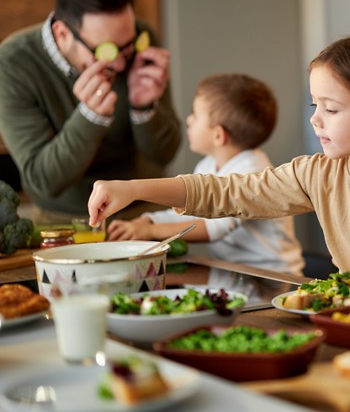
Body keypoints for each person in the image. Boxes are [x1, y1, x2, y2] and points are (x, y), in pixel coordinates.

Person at [88, 31, 350, 309]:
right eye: (316, 105)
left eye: (331, 108)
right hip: (348, 325)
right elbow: (225, 194)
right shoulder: (318, 175)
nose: (315, 119)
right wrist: (132, 188)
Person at [0, 0, 181, 223]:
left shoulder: (141, 40)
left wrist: (143, 109)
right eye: (107, 50)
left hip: (144, 214)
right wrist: (90, 116)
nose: (120, 65)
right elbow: (43, 180)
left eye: (127, 46)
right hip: (65, 221)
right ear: (63, 34)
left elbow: (165, 154)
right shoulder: (10, 64)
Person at [108, 73, 304, 283]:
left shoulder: (252, 171)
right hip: (235, 274)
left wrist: (149, 231)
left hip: (273, 278)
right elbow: (190, 210)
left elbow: (213, 228)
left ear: (218, 135)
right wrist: (148, 219)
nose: (188, 119)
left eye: (195, 114)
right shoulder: (209, 164)